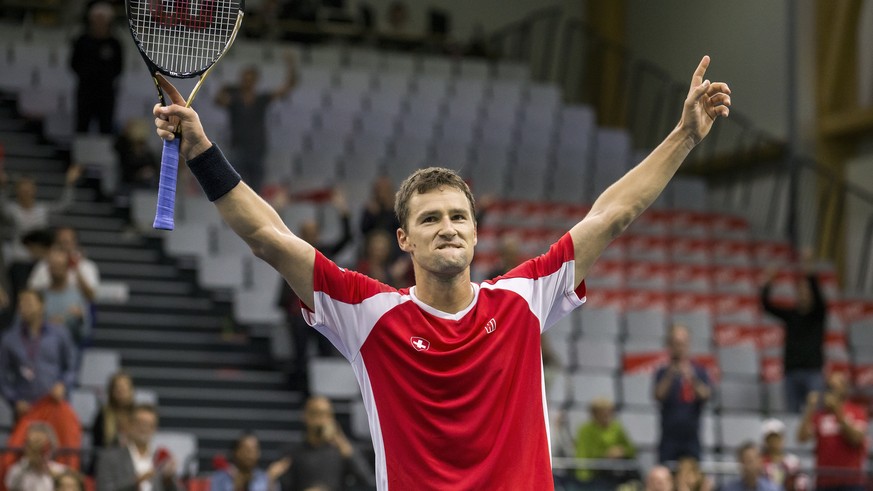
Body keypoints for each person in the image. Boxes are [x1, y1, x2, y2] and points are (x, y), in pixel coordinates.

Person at [151, 55, 730, 489]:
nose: (448, 227)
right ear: (403, 238)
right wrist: (201, 148)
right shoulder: (368, 314)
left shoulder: (523, 297)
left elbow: (615, 212)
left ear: (477, 234)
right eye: (430, 219)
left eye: (459, 216)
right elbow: (269, 239)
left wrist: (683, 137)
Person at [277, 190, 352, 393]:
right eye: (307, 231)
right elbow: (274, 236)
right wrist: (279, 210)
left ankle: (325, 389)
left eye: (314, 231)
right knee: (299, 352)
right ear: (301, 233)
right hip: (297, 311)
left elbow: (347, 238)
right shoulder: (292, 251)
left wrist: (343, 211)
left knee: (325, 351)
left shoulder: (324, 253)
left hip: (322, 311)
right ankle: (301, 388)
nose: (311, 235)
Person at [214, 53, 297, 194]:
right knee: (235, 189)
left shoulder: (261, 99)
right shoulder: (234, 99)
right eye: (245, 78)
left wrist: (291, 66)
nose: (247, 82)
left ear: (256, 81)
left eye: (250, 79)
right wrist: (225, 88)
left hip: (257, 149)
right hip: (237, 147)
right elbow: (218, 101)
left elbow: (286, 88)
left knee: (256, 191)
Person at [760, 249, 827, 414]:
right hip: (791, 371)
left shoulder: (818, 314)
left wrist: (809, 267)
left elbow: (818, 293)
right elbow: (767, 306)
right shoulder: (791, 315)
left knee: (816, 415)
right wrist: (768, 282)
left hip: (813, 371)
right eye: (801, 291)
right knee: (791, 415)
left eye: (807, 291)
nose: (804, 294)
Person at [0, 290, 77, 419]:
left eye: (29, 302)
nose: (24, 307)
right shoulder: (9, 339)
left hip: (54, 404)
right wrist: (14, 400)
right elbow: (2, 375)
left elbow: (71, 366)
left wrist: (63, 385)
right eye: (21, 304)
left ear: (42, 305)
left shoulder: (59, 333)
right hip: (25, 408)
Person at [279, 396, 375, 491]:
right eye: (315, 414)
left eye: (326, 414)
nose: (320, 420)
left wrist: (345, 447)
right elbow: (285, 486)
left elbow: (367, 481)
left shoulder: (342, 450)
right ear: (305, 416)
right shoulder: (294, 452)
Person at [797, 371, 867, 491]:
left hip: (851, 481)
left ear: (844, 389)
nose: (831, 390)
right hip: (825, 481)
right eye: (829, 387)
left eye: (835, 387)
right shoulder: (820, 415)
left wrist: (838, 413)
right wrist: (809, 409)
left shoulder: (857, 411)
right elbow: (802, 438)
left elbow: (856, 439)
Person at [653, 324, 712, 463]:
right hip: (668, 437)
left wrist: (691, 378)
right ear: (670, 345)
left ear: (688, 344)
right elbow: (658, 395)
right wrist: (670, 374)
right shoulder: (662, 372)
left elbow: (706, 395)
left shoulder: (699, 371)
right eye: (675, 343)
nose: (679, 347)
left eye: (682, 343)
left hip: (692, 437)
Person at [0, 167, 81, 263]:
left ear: (34, 189)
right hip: (19, 259)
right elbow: (2, 207)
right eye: (22, 188)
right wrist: (2, 188)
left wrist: (70, 184)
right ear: (17, 190)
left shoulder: (42, 210)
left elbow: (64, 206)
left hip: (40, 259)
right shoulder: (12, 210)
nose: (26, 192)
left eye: (29, 188)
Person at [95, 404, 183, 491]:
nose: (144, 428)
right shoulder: (109, 458)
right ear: (129, 425)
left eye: (149, 425)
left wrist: (168, 481)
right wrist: (135, 482)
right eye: (140, 423)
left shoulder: (161, 459)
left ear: (155, 428)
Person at [70, 1, 123, 134]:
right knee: (82, 126)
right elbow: (73, 63)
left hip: (106, 93)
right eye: (97, 19)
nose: (99, 23)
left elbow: (119, 67)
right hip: (85, 92)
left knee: (105, 127)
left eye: (103, 19)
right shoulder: (82, 41)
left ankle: (105, 154)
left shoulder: (114, 43)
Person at [573, 397, 637, 489]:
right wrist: (606, 454)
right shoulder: (585, 430)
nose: (607, 415)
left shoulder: (617, 428)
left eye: (609, 412)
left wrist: (622, 451)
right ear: (594, 414)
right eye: (603, 413)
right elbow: (583, 455)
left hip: (616, 474)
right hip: (593, 475)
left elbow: (631, 450)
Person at [36, 248, 92, 346]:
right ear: (48, 268)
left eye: (60, 266)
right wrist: (48, 324)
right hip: (42, 348)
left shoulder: (77, 296)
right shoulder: (39, 295)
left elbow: (85, 333)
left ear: (67, 268)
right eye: (53, 266)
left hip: (69, 348)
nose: (57, 270)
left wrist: (79, 319)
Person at [28, 226, 100, 302]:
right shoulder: (43, 266)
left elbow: (92, 296)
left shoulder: (87, 266)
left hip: (77, 310)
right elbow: (32, 292)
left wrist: (76, 270)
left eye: (66, 242)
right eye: (59, 242)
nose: (63, 246)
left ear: (74, 243)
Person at [209, 432, 291, 491]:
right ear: (236, 452)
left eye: (255, 450)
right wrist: (236, 486)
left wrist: (271, 481)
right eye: (246, 450)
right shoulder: (220, 478)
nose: (251, 455)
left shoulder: (265, 478)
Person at [4, 422, 68, 491]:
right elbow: (11, 485)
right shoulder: (17, 470)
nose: (38, 449)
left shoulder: (61, 471)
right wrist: (29, 461)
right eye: (33, 444)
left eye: (43, 446)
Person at [760, 418, 809, 491]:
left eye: (778, 437)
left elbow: (802, 484)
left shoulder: (793, 461)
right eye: (771, 438)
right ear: (765, 441)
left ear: (783, 439)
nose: (774, 441)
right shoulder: (760, 462)